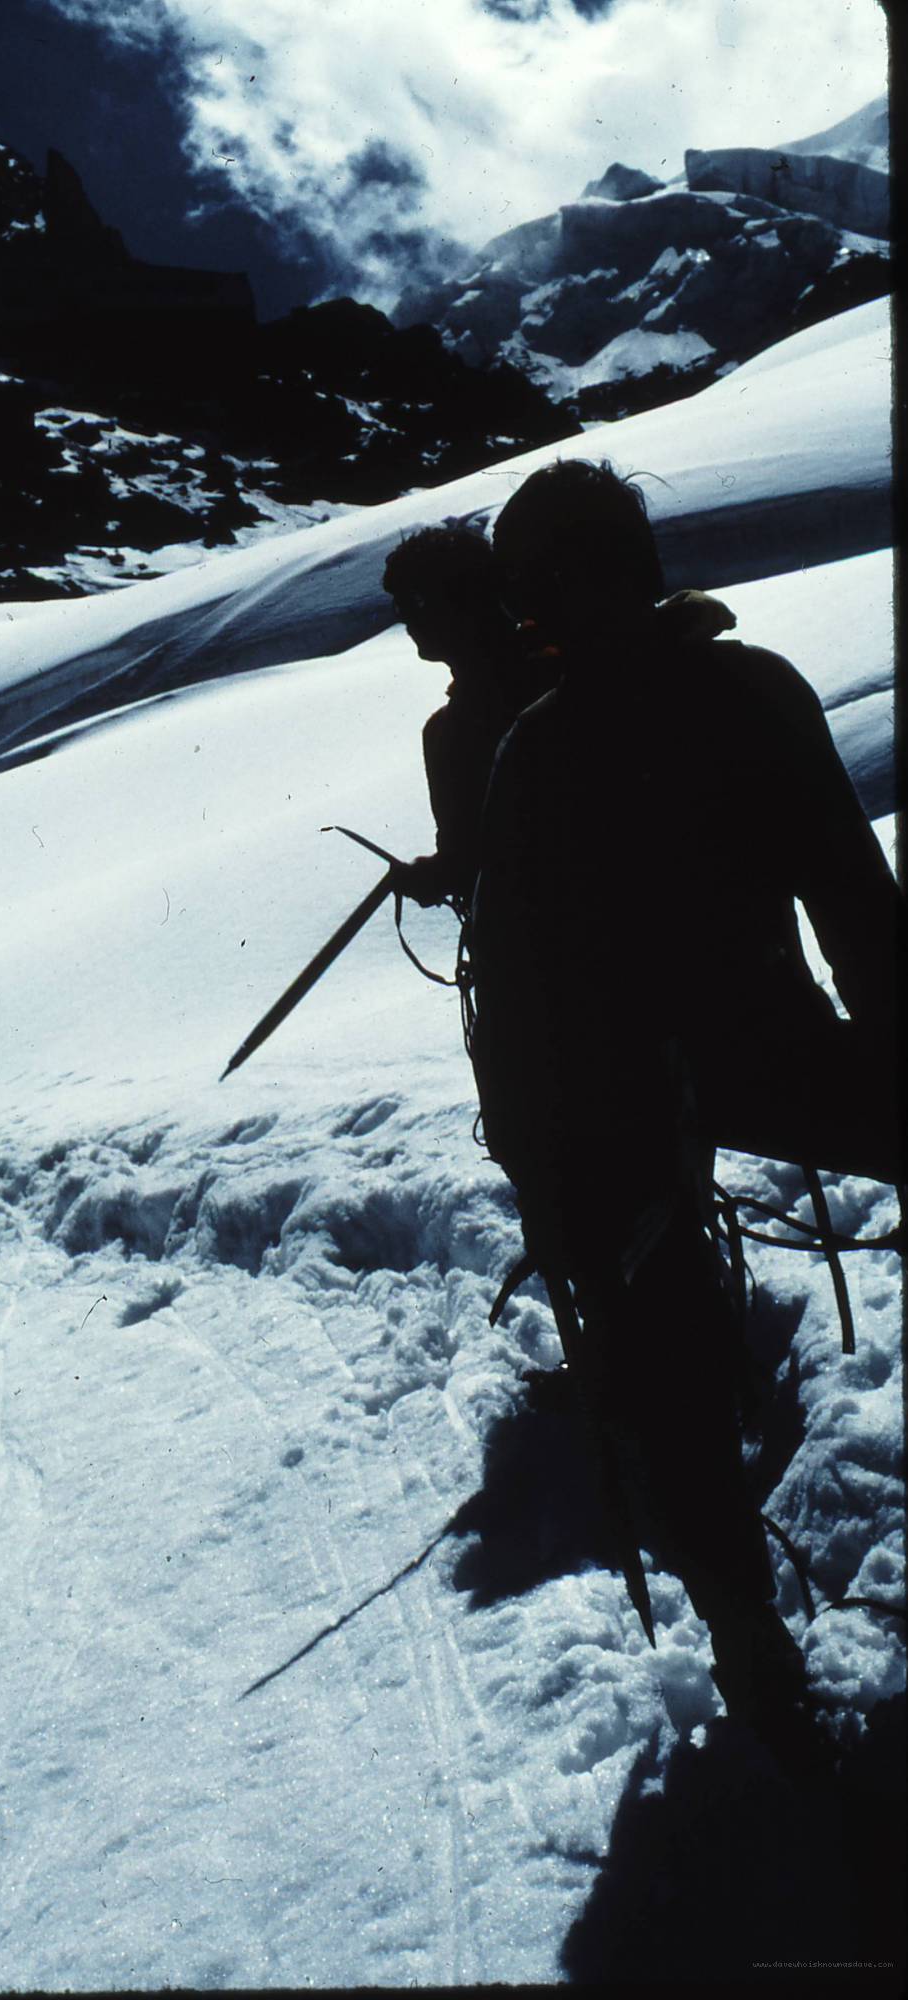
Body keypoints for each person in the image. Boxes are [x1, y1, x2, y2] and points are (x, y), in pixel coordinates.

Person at [467, 458, 904, 1745]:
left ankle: (746, 1641)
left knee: (656, 1365)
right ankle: (747, 1640)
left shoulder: (534, 749)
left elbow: (513, 991)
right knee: (658, 1363)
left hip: (627, 1107)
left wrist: (548, 1177)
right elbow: (852, 900)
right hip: (753, 1058)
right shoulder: (739, 690)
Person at [380, 520, 552, 915]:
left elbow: (483, 862)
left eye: (415, 603)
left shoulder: (453, 732)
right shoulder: (563, 666)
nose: (406, 619)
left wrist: (432, 876)